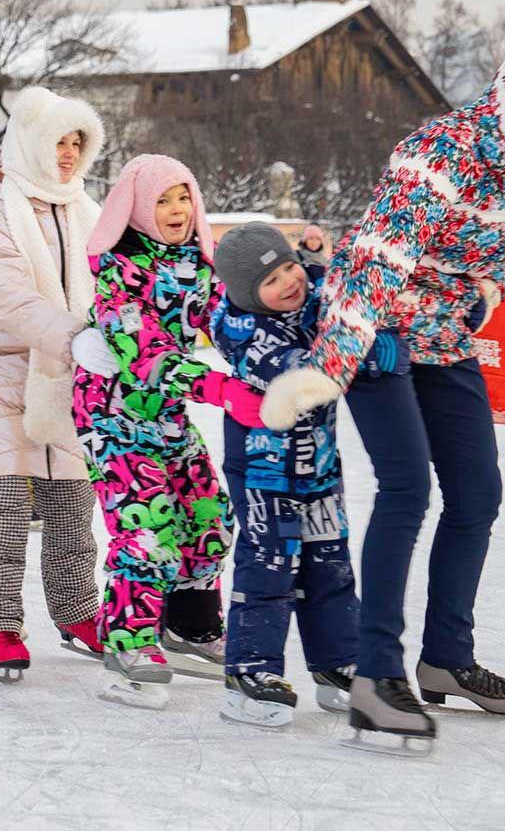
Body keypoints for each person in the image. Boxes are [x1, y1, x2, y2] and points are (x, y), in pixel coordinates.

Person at [260, 24, 505, 752]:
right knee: (406, 489)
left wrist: (478, 293)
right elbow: (372, 264)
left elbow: (472, 254)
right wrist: (330, 368)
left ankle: (445, 659)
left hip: (441, 336)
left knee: (478, 494)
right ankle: (374, 675)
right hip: (374, 334)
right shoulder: (443, 155)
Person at [70, 154, 263, 709]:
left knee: (208, 517)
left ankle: (190, 625)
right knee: (148, 524)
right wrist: (222, 391)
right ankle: (127, 642)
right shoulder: (118, 265)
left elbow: (227, 321)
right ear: (136, 207)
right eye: (162, 200)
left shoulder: (198, 261)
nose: (177, 209)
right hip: (111, 412)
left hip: (166, 411)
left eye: (184, 196)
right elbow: (145, 354)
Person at [0, 87, 105, 680]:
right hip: (1, 366)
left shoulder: (87, 211)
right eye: (58, 142)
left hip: (67, 369)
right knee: (4, 504)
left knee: (73, 499)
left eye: (76, 143)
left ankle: (77, 611)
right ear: (32, 144)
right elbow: (12, 298)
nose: (67, 155)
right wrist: (74, 336)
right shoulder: (3, 213)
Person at [210, 223, 363, 728]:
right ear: (249, 295)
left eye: (289, 266)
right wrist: (359, 350)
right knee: (268, 565)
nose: (290, 281)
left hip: (318, 467)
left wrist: (318, 260)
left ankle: (338, 663)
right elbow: (308, 371)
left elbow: (335, 287)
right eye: (272, 279)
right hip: (265, 473)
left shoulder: (304, 294)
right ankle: (251, 670)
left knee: (330, 563)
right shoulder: (248, 334)